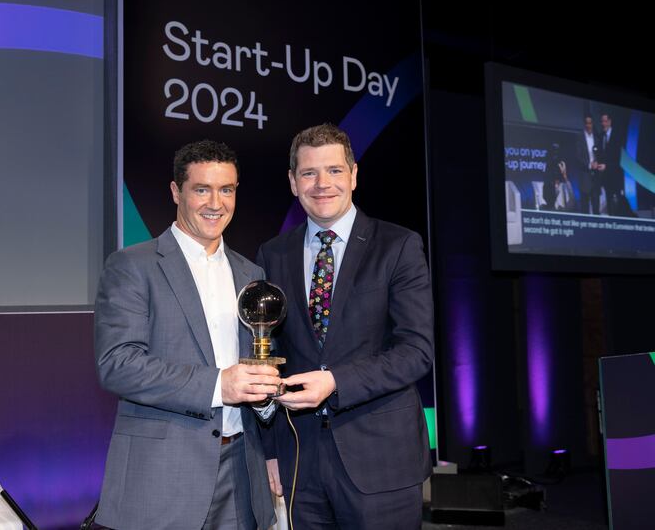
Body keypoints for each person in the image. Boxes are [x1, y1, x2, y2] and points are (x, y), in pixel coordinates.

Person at [94, 140, 281, 530]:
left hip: (243, 475)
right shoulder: (133, 266)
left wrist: (265, 397)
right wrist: (220, 385)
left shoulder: (251, 274)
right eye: (202, 189)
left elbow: (258, 362)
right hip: (163, 478)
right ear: (176, 192)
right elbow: (118, 365)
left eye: (226, 190)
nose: (216, 203)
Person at [257, 124, 434, 529]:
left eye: (335, 171)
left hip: (381, 462)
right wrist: (269, 449)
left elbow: (416, 351)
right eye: (309, 173)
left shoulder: (399, 246)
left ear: (354, 174)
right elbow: (267, 358)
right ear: (292, 181)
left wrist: (335, 380)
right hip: (300, 458)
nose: (323, 184)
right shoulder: (272, 254)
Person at [596, 112, 631, 216]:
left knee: (618, 202)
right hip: (605, 178)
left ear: (610, 122)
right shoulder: (601, 136)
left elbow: (619, 158)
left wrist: (606, 166)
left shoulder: (617, 136)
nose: (603, 124)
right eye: (602, 121)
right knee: (609, 202)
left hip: (616, 176)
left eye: (605, 121)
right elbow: (600, 155)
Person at [574, 115, 600, 214]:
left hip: (596, 176)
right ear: (584, 124)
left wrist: (598, 163)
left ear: (593, 124)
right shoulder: (579, 137)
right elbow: (578, 156)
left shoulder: (597, 138)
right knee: (585, 206)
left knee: (596, 205)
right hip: (585, 175)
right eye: (587, 123)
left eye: (590, 123)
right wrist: (589, 165)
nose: (589, 125)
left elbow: (601, 154)